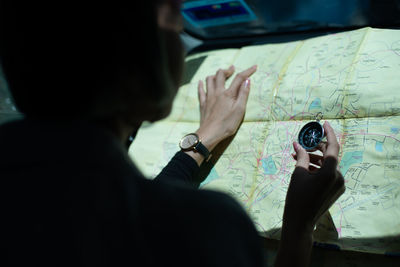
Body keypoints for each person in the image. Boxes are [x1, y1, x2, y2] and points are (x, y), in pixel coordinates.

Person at [0, 1, 345, 266]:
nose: (181, 42)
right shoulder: (205, 228)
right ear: (137, 53)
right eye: (175, 20)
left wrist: (202, 139)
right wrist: (298, 227)